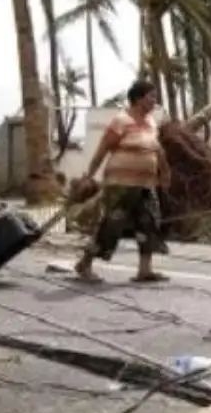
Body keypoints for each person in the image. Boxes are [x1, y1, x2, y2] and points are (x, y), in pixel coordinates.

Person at [73, 80, 172, 283]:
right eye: (150, 97)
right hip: (120, 184)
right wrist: (89, 176)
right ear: (137, 98)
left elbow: (157, 149)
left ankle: (144, 270)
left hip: (146, 184)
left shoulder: (151, 123)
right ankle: (85, 264)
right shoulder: (121, 120)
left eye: (155, 97)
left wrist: (165, 172)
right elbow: (102, 149)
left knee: (149, 223)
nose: (154, 101)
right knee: (111, 224)